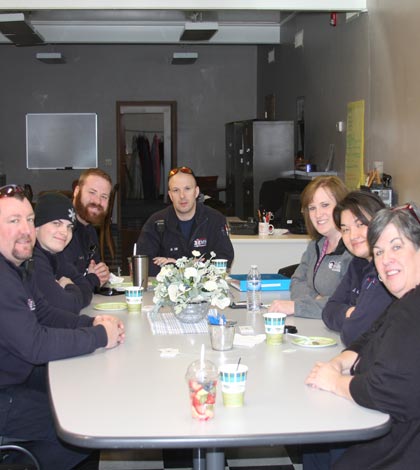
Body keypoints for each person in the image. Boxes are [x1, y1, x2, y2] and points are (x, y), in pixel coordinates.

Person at [0, 184, 125, 469]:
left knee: (82, 395)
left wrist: (92, 322)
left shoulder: (20, 264)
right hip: (5, 392)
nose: (26, 229)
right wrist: (97, 336)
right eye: (13, 221)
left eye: (29, 220)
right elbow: (35, 345)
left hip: (15, 375)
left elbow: (44, 313)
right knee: (82, 429)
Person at [305, 204, 420, 469]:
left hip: (404, 447)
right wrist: (341, 362)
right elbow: (368, 337)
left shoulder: (412, 310)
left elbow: (387, 391)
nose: (386, 259)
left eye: (396, 246)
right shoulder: (402, 302)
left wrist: (335, 382)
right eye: (378, 252)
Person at [269, 176, 352, 318]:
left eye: (325, 205)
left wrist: (300, 306)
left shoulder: (353, 250)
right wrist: (315, 299)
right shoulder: (315, 245)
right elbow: (296, 282)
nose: (318, 214)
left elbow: (345, 303)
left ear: (341, 207)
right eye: (312, 208)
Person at [322, 191, 394, 345]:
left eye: (360, 225)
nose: (353, 235)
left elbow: (354, 333)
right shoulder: (358, 263)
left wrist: (355, 317)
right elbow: (328, 311)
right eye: (345, 229)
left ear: (380, 223)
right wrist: (351, 313)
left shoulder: (387, 268)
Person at [136, 166, 234, 276]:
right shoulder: (155, 222)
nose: (182, 196)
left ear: (196, 192)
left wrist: (175, 264)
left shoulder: (215, 219)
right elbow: (144, 263)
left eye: (187, 189)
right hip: (166, 289)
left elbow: (225, 259)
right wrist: (193, 266)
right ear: (170, 195)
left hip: (205, 289)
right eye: (176, 190)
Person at [33, 191, 95, 313]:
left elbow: (86, 290)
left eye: (69, 227)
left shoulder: (57, 256)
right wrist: (69, 285)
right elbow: (67, 306)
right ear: (36, 227)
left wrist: (68, 292)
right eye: (56, 223)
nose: (65, 232)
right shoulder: (33, 260)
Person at [63, 168, 112, 287]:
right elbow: (65, 283)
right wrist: (91, 279)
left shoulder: (89, 229)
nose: (97, 201)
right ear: (76, 191)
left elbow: (94, 269)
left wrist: (101, 271)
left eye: (104, 196)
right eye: (92, 192)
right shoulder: (61, 229)